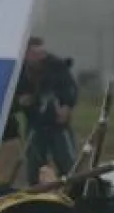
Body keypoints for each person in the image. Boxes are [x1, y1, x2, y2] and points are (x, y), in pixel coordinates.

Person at [14, 37, 78, 186]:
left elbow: (70, 88)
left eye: (41, 53)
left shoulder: (57, 66)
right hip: (34, 124)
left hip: (58, 124)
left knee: (67, 164)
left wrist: (66, 106)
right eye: (35, 54)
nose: (40, 57)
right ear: (26, 54)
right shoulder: (19, 72)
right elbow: (11, 97)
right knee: (34, 165)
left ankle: (71, 191)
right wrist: (20, 101)